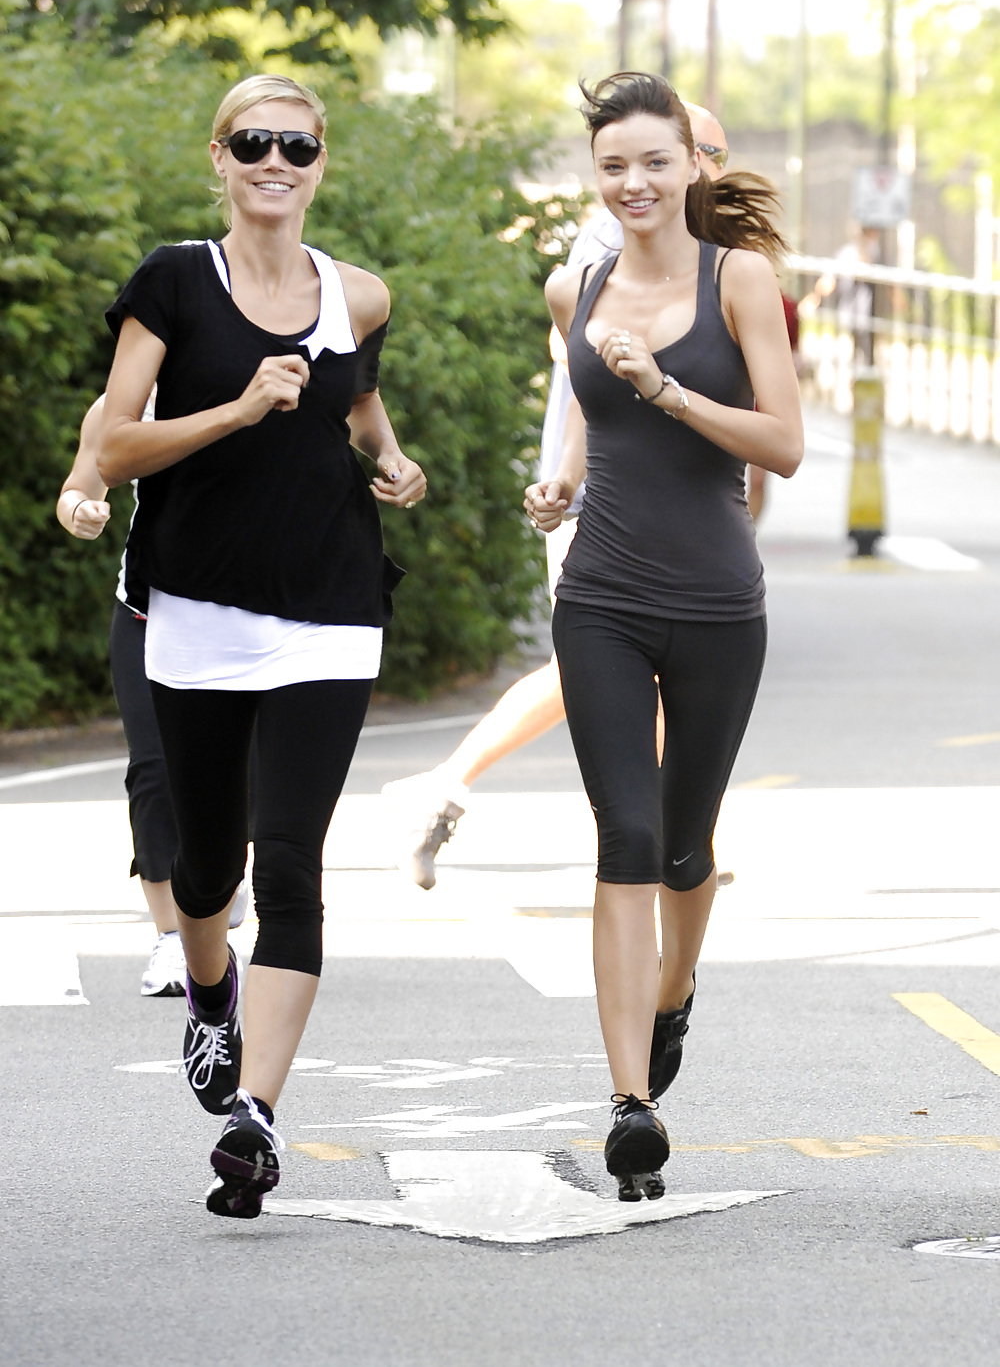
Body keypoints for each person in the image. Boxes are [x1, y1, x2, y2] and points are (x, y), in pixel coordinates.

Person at [96, 73, 426, 1218]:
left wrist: (393, 461)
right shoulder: (174, 281)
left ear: (322, 160)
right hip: (195, 614)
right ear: (220, 159)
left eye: (295, 143)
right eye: (252, 143)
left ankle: (257, 1117)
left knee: (290, 867)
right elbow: (118, 439)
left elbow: (358, 404)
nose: (273, 160)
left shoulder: (359, 295)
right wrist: (236, 409)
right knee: (206, 868)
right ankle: (207, 987)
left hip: (331, 612)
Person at [524, 72, 802, 1200]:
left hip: (718, 606)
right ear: (592, 177)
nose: (632, 183)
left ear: (692, 165)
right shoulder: (573, 287)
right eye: (611, 165)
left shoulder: (739, 277)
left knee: (687, 846)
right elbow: (592, 410)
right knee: (624, 835)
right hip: (600, 595)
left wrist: (674, 395)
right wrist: (562, 486)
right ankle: (629, 1102)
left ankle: (674, 989)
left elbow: (780, 445)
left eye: (653, 160)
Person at [382, 104, 731, 890]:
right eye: (707, 152)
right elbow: (578, 356)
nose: (712, 170)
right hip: (598, 494)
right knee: (601, 664)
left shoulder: (708, 249)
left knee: (652, 665)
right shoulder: (617, 238)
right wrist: (574, 476)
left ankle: (678, 835)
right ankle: (452, 784)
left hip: (674, 502)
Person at [57, 395, 248, 998]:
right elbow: (79, 485)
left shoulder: (265, 380)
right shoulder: (124, 405)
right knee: (155, 767)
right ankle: (171, 939)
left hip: (253, 614)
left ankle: (219, 867)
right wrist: (81, 509)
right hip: (149, 611)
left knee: (239, 771)